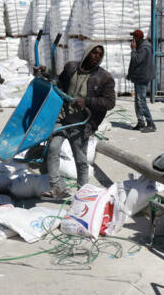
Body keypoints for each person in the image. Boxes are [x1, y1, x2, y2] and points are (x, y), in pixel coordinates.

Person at [45, 44, 115, 199]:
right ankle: (57, 187)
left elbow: (110, 102)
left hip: (82, 124)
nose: (97, 56)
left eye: (100, 54)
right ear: (87, 53)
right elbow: (60, 85)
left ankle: (82, 194)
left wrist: (87, 101)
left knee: (81, 160)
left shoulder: (105, 78)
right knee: (53, 148)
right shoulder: (71, 68)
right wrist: (47, 74)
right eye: (94, 52)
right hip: (63, 118)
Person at [127, 29, 155, 133]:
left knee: (141, 101)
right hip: (138, 76)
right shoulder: (140, 46)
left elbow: (136, 60)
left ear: (138, 38)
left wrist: (133, 49)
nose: (132, 40)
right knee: (137, 101)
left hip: (142, 78)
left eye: (134, 37)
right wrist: (130, 74)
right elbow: (133, 62)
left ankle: (150, 123)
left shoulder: (144, 48)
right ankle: (140, 122)